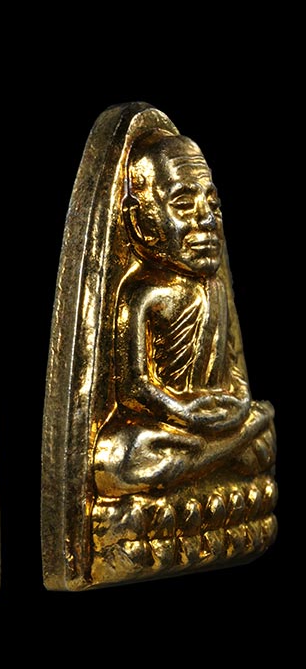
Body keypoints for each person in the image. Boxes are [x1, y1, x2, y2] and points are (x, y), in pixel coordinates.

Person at [93, 129, 275, 498]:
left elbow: (235, 368)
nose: (206, 219)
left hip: (213, 416)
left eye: (213, 204)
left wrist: (238, 406)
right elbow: (134, 389)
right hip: (171, 421)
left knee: (263, 424)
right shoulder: (143, 292)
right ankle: (223, 454)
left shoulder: (216, 286)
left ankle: (211, 457)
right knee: (116, 458)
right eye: (183, 204)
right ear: (139, 221)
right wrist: (185, 412)